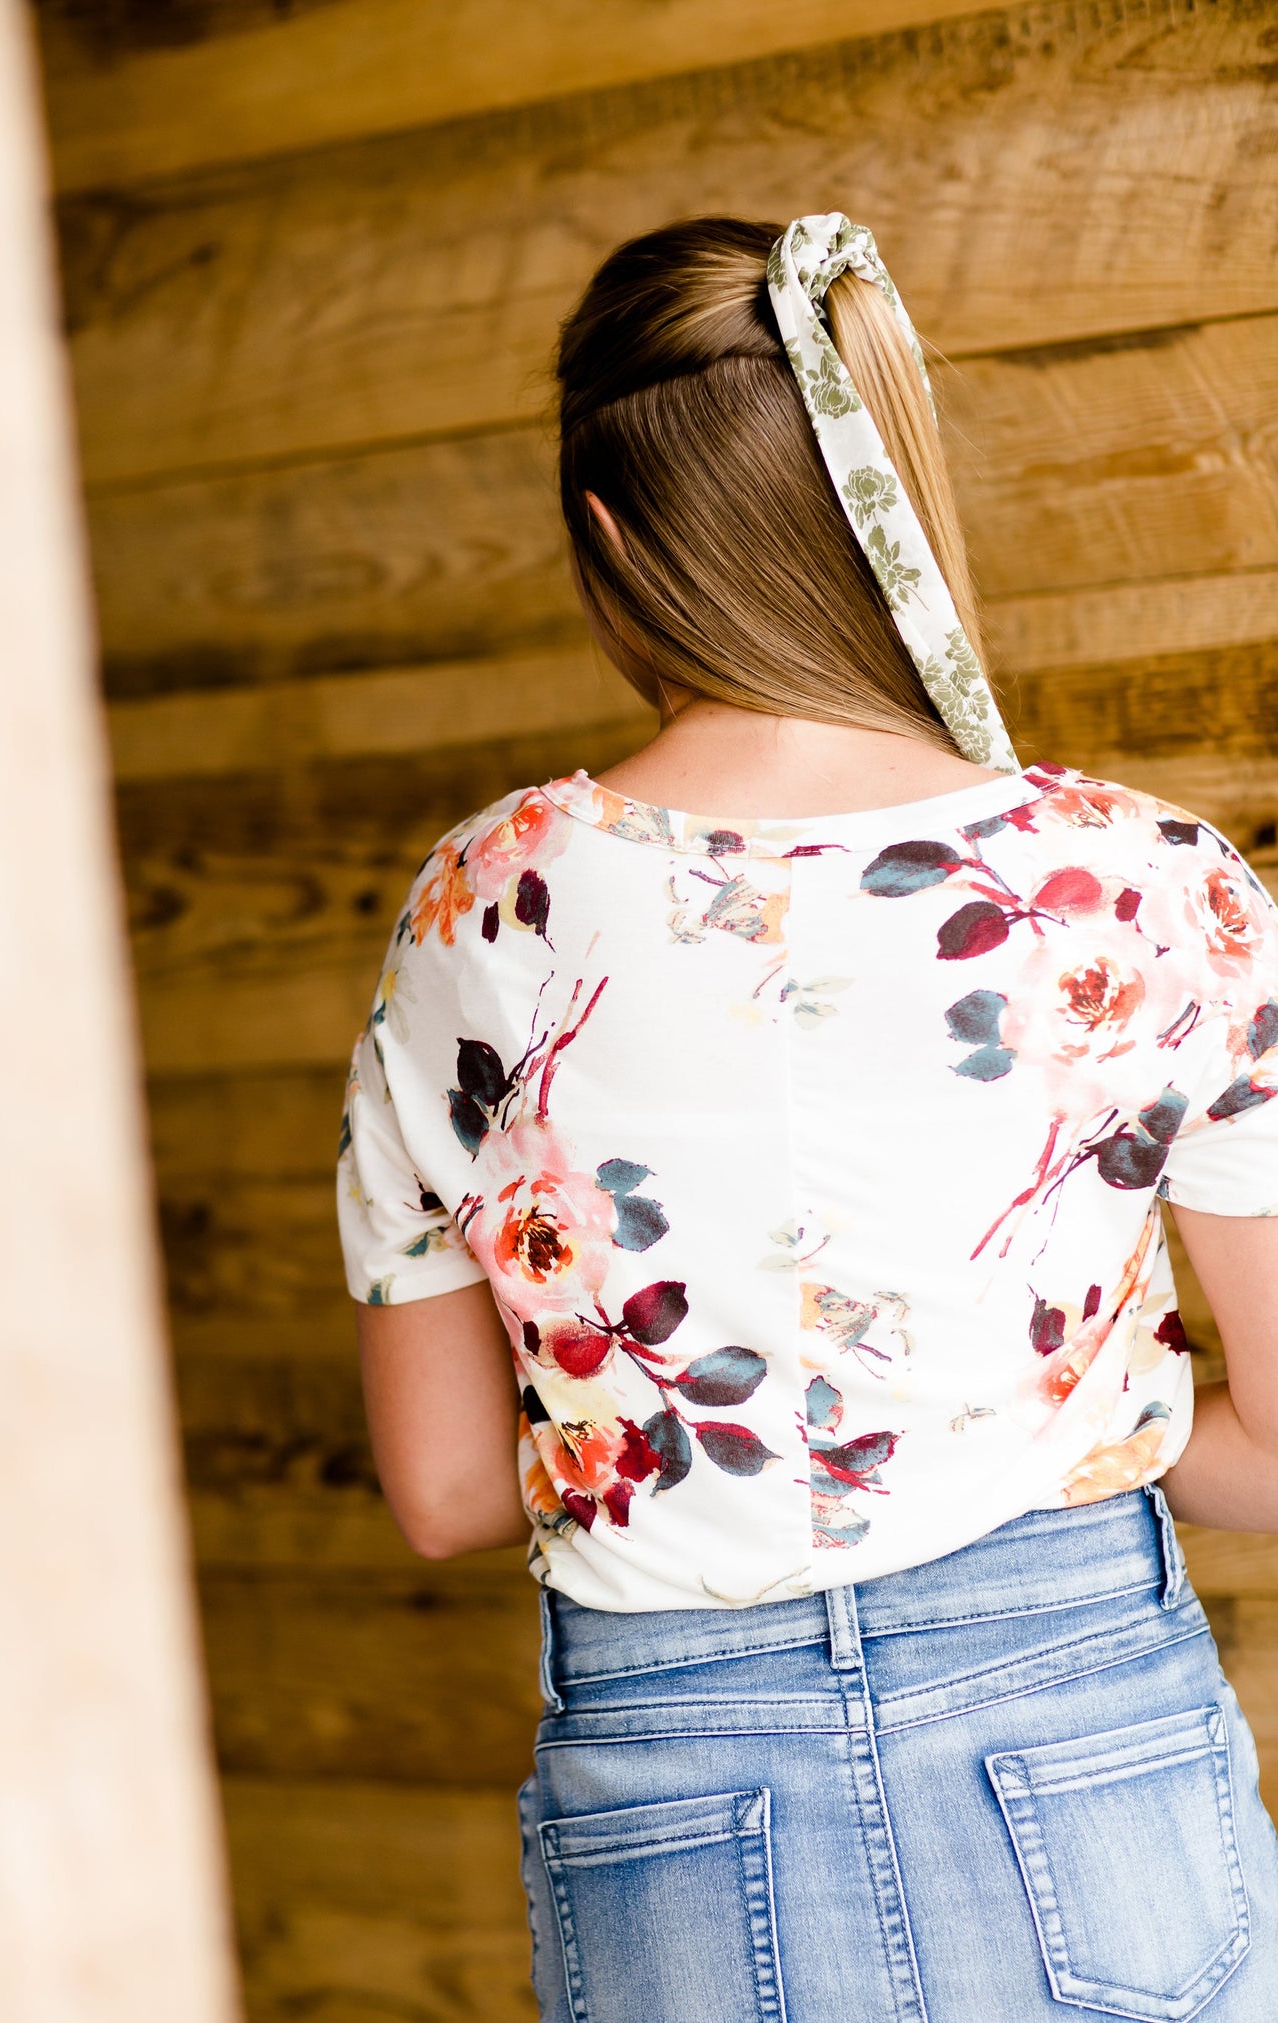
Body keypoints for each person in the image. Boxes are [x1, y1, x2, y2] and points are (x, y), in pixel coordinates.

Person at [337, 214, 1278, 2021]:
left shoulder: (480, 911)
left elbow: (450, 1494)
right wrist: (1071, 1430)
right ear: (889, 498)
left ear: (605, 536)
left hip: (676, 1805)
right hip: (1090, 1751)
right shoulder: (1146, 886)